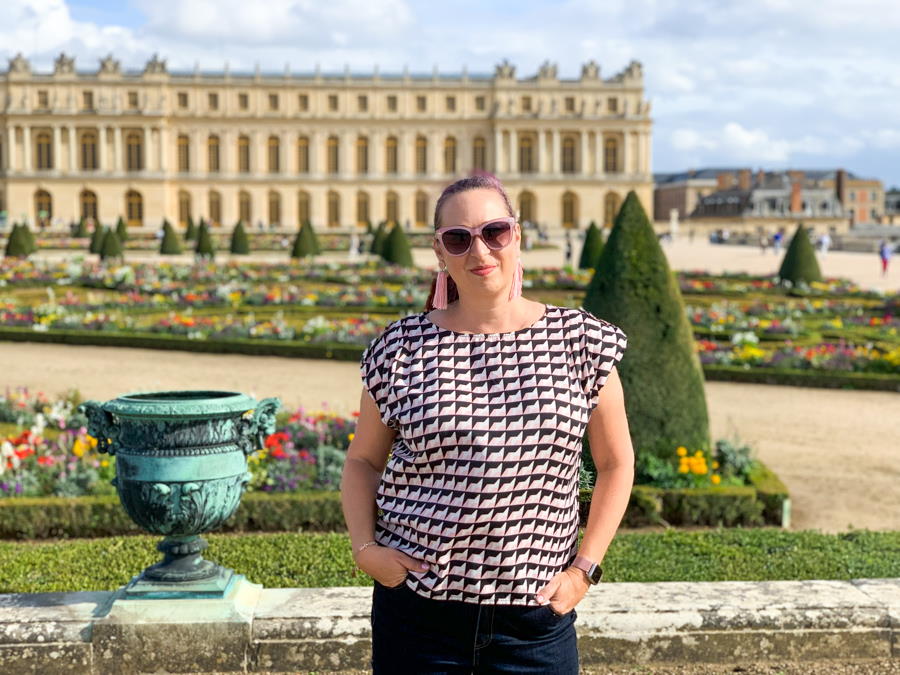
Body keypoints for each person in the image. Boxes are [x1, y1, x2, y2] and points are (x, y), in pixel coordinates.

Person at [342, 174, 634, 673]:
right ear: (439, 252)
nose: (479, 250)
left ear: (516, 235)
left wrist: (585, 570)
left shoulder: (582, 339)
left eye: (494, 231)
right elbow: (363, 460)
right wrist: (365, 548)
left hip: (533, 620)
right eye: (458, 238)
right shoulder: (400, 346)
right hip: (419, 615)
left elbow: (616, 462)